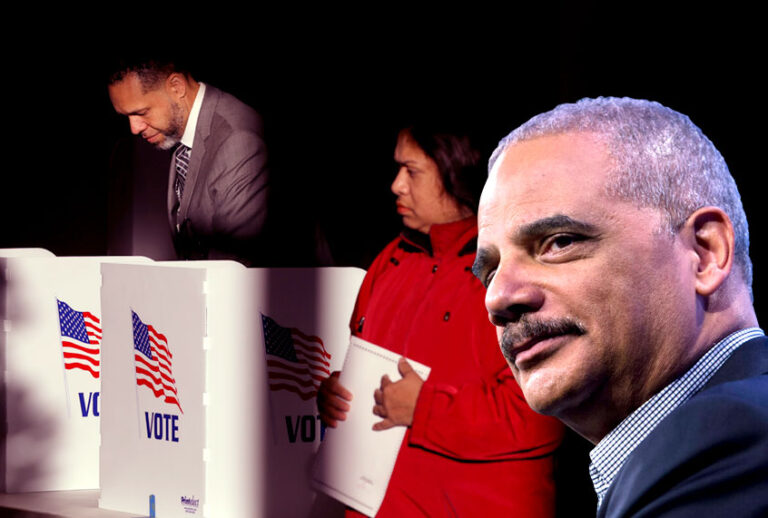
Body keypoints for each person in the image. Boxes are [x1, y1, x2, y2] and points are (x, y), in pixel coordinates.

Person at [474, 97, 768, 517]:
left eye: (559, 242)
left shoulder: (734, 439)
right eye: (489, 272)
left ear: (704, 253)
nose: (497, 298)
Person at [318, 124, 565, 517]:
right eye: (397, 170)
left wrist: (425, 408)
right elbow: (362, 367)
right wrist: (338, 395)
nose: (397, 185)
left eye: (412, 171)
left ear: (455, 173)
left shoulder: (514, 270)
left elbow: (538, 419)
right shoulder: (389, 260)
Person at [107, 58, 269, 264]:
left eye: (141, 112)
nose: (134, 128)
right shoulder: (184, 134)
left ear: (176, 87)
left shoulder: (237, 140)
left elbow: (233, 270)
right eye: (126, 116)